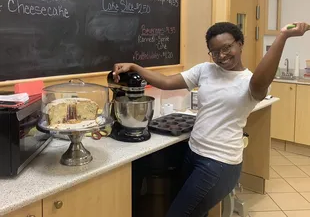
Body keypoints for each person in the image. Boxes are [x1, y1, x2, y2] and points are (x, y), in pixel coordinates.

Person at [112, 21, 308, 217]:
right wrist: (136, 67)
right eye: (214, 52)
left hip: (220, 163)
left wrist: (282, 37)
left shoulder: (250, 82)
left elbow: (261, 80)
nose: (221, 56)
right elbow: (165, 81)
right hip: (193, 153)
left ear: (240, 43)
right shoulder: (205, 70)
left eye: (227, 48)